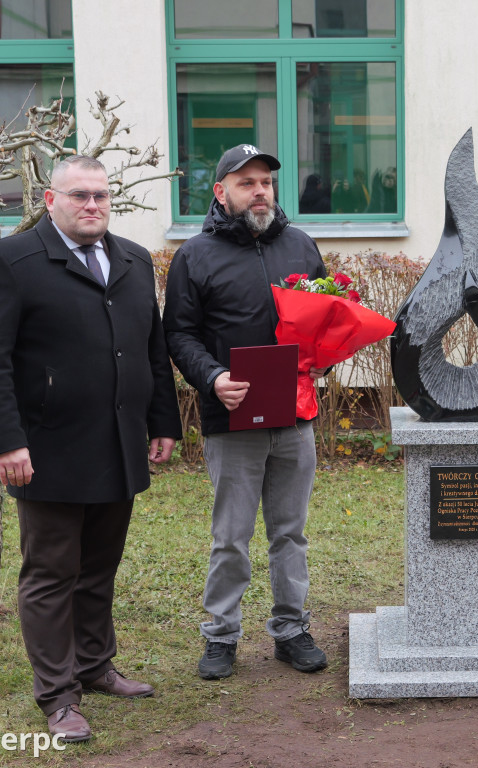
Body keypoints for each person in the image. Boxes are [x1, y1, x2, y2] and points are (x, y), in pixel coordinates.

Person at [0, 155, 182, 743]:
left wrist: (162, 420)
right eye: (79, 195)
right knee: (51, 573)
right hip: (46, 449)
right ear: (49, 199)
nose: (92, 205)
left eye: (101, 196)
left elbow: (151, 348)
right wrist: (7, 441)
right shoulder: (9, 261)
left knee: (99, 568)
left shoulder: (134, 259)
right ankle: (59, 696)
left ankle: (94, 665)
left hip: (118, 443)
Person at [163, 143, 330, 681]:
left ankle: (291, 630)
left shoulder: (300, 245)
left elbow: (327, 318)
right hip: (231, 419)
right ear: (221, 192)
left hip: (295, 416)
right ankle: (221, 635)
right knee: (231, 537)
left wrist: (323, 358)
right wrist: (213, 378)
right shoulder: (195, 256)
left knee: (290, 533)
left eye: (266, 182)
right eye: (246, 183)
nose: (260, 192)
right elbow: (179, 334)